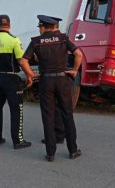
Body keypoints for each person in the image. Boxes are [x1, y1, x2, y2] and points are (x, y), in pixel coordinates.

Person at [20, 15, 83, 162]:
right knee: (67, 114)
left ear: (43, 26)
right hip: (62, 80)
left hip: (46, 80)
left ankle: (50, 153)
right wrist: (74, 70)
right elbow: (78, 54)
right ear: (55, 26)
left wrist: (31, 74)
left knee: (48, 116)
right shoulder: (63, 38)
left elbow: (23, 61)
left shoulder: (36, 41)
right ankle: (73, 150)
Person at [0, 14, 33, 149]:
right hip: (11, 78)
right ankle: (18, 141)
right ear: (9, 25)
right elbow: (21, 60)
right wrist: (30, 74)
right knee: (16, 109)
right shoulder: (14, 40)